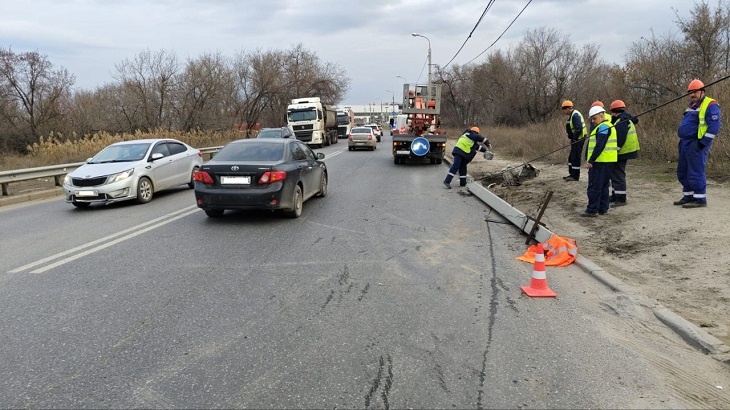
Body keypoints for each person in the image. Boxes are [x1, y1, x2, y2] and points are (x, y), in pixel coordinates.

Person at [675, 79, 721, 208]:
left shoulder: (710, 104)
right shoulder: (691, 105)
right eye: (690, 93)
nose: (692, 95)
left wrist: (703, 143)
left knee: (696, 170)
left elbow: (714, 126)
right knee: (683, 170)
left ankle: (700, 199)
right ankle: (688, 195)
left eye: (695, 92)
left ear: (702, 92)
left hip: (697, 143)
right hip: (685, 143)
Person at [581, 105, 618, 217]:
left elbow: (599, 145)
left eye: (594, 118)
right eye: (591, 119)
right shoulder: (608, 125)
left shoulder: (603, 127)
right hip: (608, 161)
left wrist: (591, 161)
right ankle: (603, 208)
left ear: (602, 116)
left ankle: (592, 210)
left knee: (594, 186)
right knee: (604, 186)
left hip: (600, 162)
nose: (592, 121)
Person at [608, 100, 640, 206]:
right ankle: (615, 195)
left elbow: (620, 139)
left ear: (615, 111)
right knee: (615, 173)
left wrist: (614, 151)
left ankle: (621, 199)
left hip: (622, 152)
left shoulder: (622, 121)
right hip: (626, 151)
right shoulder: (625, 119)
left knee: (618, 174)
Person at [561, 100, 587, 181]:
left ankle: (575, 176)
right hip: (576, 139)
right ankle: (572, 174)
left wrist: (574, 139)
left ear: (568, 108)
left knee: (575, 157)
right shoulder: (572, 115)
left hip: (579, 139)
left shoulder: (575, 115)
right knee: (571, 157)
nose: (563, 111)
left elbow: (578, 128)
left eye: (564, 109)